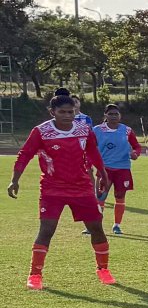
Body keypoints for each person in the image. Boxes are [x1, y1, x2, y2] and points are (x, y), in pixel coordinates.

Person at [8, 92, 113, 290]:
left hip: (81, 188)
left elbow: (92, 151)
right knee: (46, 230)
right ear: (52, 112)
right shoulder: (41, 131)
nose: (67, 115)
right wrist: (15, 180)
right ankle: (35, 275)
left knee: (96, 228)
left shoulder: (84, 129)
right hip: (52, 189)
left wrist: (102, 173)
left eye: (70, 112)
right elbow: (25, 154)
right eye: (62, 112)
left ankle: (103, 270)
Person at [93, 104, 142, 235]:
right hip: (105, 169)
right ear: (105, 115)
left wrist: (135, 154)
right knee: (100, 197)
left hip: (123, 169)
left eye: (116, 114)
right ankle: (95, 226)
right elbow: (89, 146)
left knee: (120, 197)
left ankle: (117, 225)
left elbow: (136, 146)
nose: (113, 116)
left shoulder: (127, 130)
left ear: (120, 116)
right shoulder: (97, 130)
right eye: (111, 114)